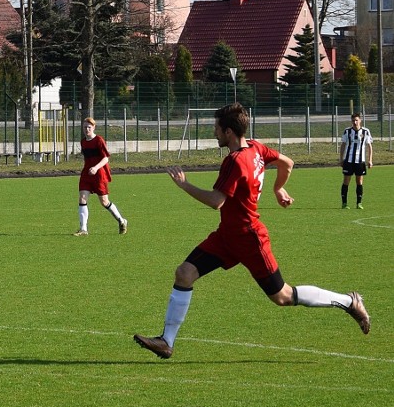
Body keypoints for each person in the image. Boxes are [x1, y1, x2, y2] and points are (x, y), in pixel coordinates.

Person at [134, 103, 370, 360]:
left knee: (283, 296)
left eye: (216, 129)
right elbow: (287, 163)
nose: (213, 133)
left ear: (228, 132)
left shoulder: (234, 161)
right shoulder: (256, 148)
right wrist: (278, 188)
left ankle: (349, 302)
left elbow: (216, 201)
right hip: (226, 237)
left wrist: (184, 185)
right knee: (184, 273)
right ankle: (166, 341)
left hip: (250, 239)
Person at [73, 117, 127, 236]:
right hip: (87, 174)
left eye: (89, 127)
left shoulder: (99, 140)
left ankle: (121, 220)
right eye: (85, 127)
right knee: (82, 198)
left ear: (93, 128)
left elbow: (106, 158)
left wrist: (96, 168)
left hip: (99, 174)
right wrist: (90, 168)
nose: (86, 129)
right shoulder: (83, 142)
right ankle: (83, 229)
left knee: (104, 201)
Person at [339, 112, 373, 209]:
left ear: (360, 120)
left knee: (359, 181)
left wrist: (370, 160)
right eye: (353, 120)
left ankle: (359, 203)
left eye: (356, 120)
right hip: (349, 161)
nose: (355, 122)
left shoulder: (366, 131)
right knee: (346, 181)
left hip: (360, 161)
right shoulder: (347, 131)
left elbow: (369, 146)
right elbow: (343, 145)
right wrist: (341, 159)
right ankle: (344, 203)